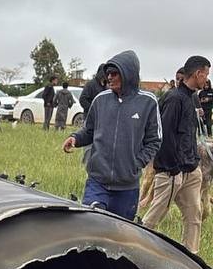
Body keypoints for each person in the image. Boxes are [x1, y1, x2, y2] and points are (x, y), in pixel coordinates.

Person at [62, 50, 161, 221]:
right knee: (91, 223)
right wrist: (75, 138)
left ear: (128, 74)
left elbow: (155, 140)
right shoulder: (100, 100)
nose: (110, 77)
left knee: (119, 236)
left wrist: (136, 163)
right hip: (97, 181)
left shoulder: (148, 102)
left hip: (127, 187)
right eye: (108, 74)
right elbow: (89, 130)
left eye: (115, 73)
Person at [142, 54, 211, 253]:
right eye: (206, 74)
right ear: (198, 73)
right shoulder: (174, 99)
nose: (206, 79)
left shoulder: (192, 98)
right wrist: (172, 169)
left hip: (191, 169)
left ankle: (191, 258)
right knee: (154, 216)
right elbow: (165, 135)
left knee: (194, 217)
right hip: (173, 171)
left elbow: (189, 135)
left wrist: (194, 163)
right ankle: (138, 250)